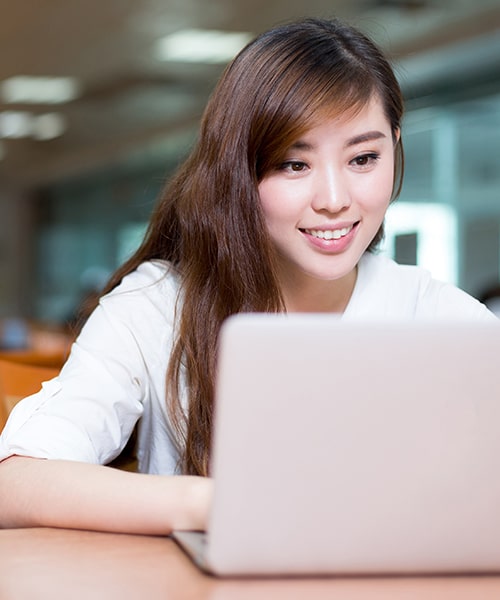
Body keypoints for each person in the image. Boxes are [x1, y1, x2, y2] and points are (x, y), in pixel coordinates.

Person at [0, 17, 495, 535]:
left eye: (364, 158)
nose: (333, 199)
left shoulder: (440, 318)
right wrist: (218, 505)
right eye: (292, 164)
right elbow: (16, 482)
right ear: (239, 171)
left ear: (395, 146)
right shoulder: (156, 307)